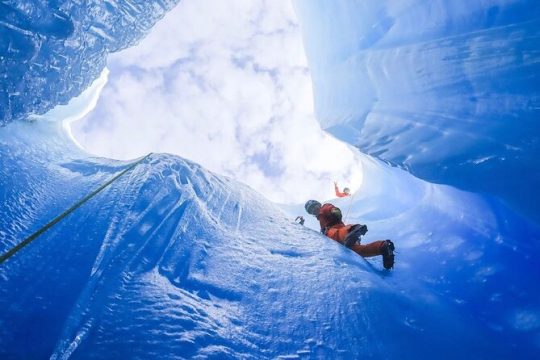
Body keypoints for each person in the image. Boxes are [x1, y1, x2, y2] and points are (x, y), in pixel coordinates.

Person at [305, 200, 395, 269]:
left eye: (314, 206)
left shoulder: (323, 209)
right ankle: (382, 247)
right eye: (311, 210)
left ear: (319, 204)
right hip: (344, 243)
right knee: (359, 252)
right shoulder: (320, 218)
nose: (314, 210)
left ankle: (353, 230)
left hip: (338, 231)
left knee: (335, 233)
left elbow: (329, 208)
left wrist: (334, 210)